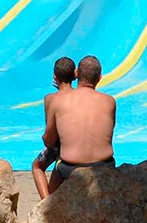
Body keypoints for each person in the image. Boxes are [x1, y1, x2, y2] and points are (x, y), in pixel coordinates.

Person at [42, 56, 116, 194]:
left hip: (70, 169)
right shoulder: (110, 101)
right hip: (106, 166)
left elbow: (49, 141)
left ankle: (47, 206)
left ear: (76, 74)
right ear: (99, 78)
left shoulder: (58, 101)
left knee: (51, 192)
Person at [31, 57, 76, 200]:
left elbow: (50, 134)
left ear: (55, 76)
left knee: (37, 166)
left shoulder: (50, 98)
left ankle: (45, 202)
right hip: (76, 142)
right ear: (75, 75)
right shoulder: (80, 95)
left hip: (58, 147)